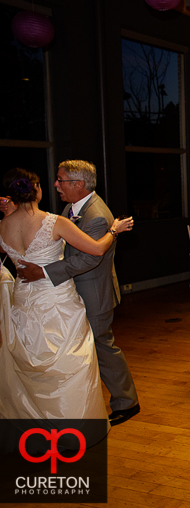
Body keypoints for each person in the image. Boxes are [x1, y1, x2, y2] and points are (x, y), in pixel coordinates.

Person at [0, 168, 134, 443]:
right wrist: (114, 230)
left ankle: (41, 419)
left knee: (34, 364)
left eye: (60, 180)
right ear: (35, 190)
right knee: (72, 361)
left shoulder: (4, 226)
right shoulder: (54, 220)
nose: (56, 185)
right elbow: (95, 250)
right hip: (56, 301)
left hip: (25, 302)